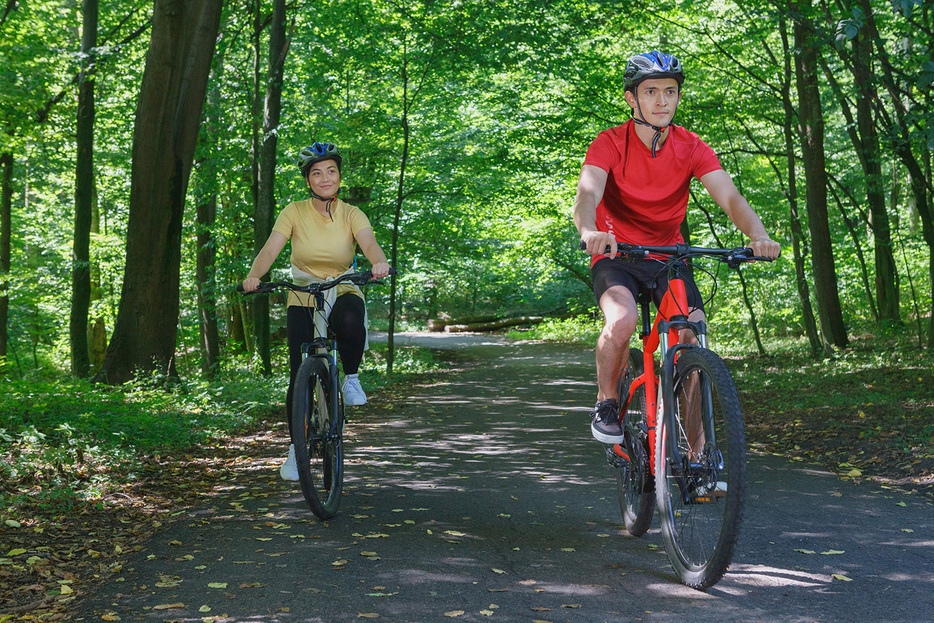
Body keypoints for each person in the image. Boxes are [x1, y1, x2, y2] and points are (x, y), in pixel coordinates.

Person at [573, 51, 781, 445]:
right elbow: (587, 194)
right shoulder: (609, 143)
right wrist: (589, 230)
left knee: (692, 337)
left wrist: (758, 236)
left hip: (669, 256)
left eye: (670, 91)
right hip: (617, 253)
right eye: (650, 91)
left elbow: (731, 197)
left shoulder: (690, 146)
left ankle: (698, 454)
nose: (662, 101)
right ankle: (606, 400)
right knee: (621, 320)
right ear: (631, 99)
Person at [242, 141, 391, 480]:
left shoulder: (352, 213)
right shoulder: (293, 212)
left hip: (342, 284)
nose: (325, 178)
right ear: (308, 180)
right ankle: (297, 449)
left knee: (352, 317)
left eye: (331, 171)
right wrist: (255, 275)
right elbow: (270, 248)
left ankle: (350, 378)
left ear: (339, 176)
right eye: (317, 173)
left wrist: (377, 261)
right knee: (298, 376)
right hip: (303, 292)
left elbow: (368, 241)